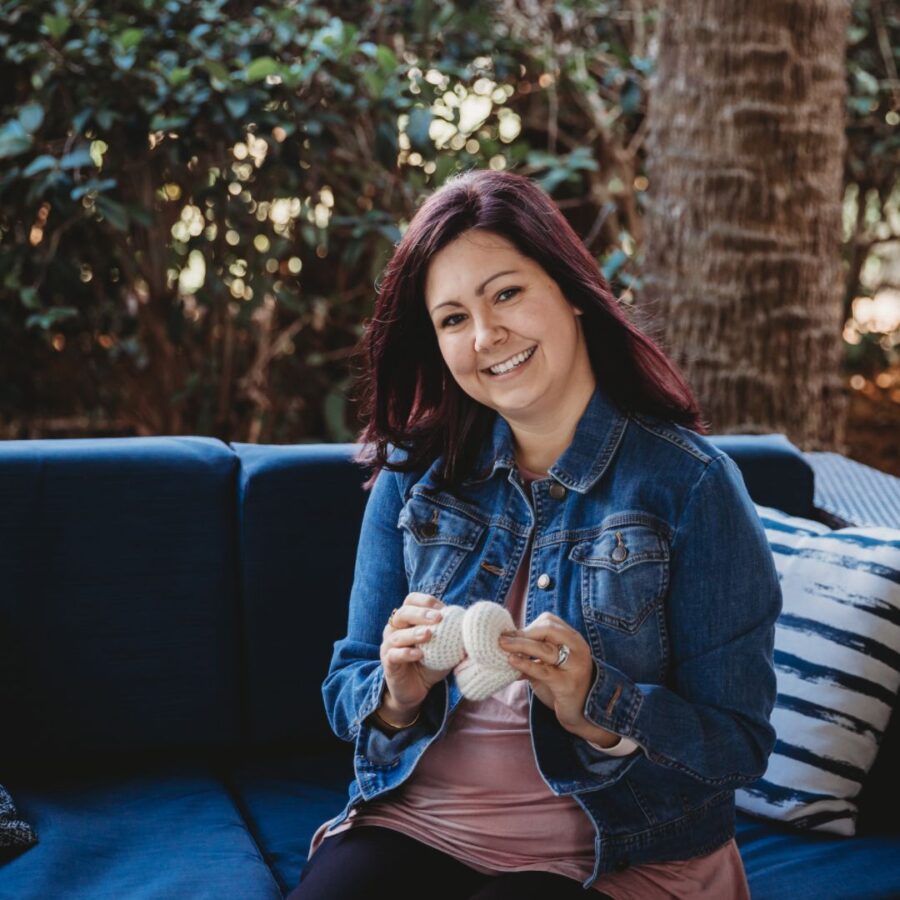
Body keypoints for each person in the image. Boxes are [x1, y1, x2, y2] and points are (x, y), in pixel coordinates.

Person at [287, 169, 782, 899]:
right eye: (453, 318)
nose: (486, 336)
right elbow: (348, 682)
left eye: (506, 293)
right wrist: (394, 692)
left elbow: (738, 744)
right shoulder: (417, 475)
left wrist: (600, 708)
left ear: (573, 292)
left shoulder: (691, 485)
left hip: (620, 853)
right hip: (421, 822)